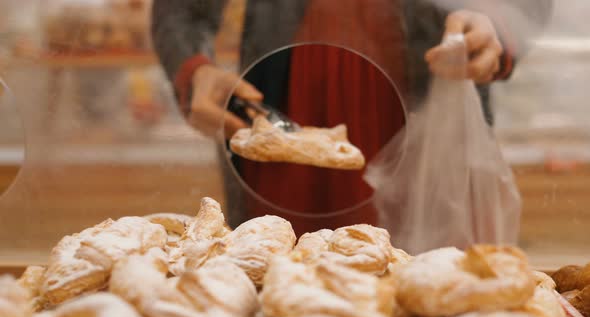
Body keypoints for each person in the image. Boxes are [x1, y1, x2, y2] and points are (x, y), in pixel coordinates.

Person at [151, 0, 552, 235]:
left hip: (429, 102)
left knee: (436, 284)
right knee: (279, 280)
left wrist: (495, 23)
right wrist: (195, 68)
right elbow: (180, 9)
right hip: (285, 105)